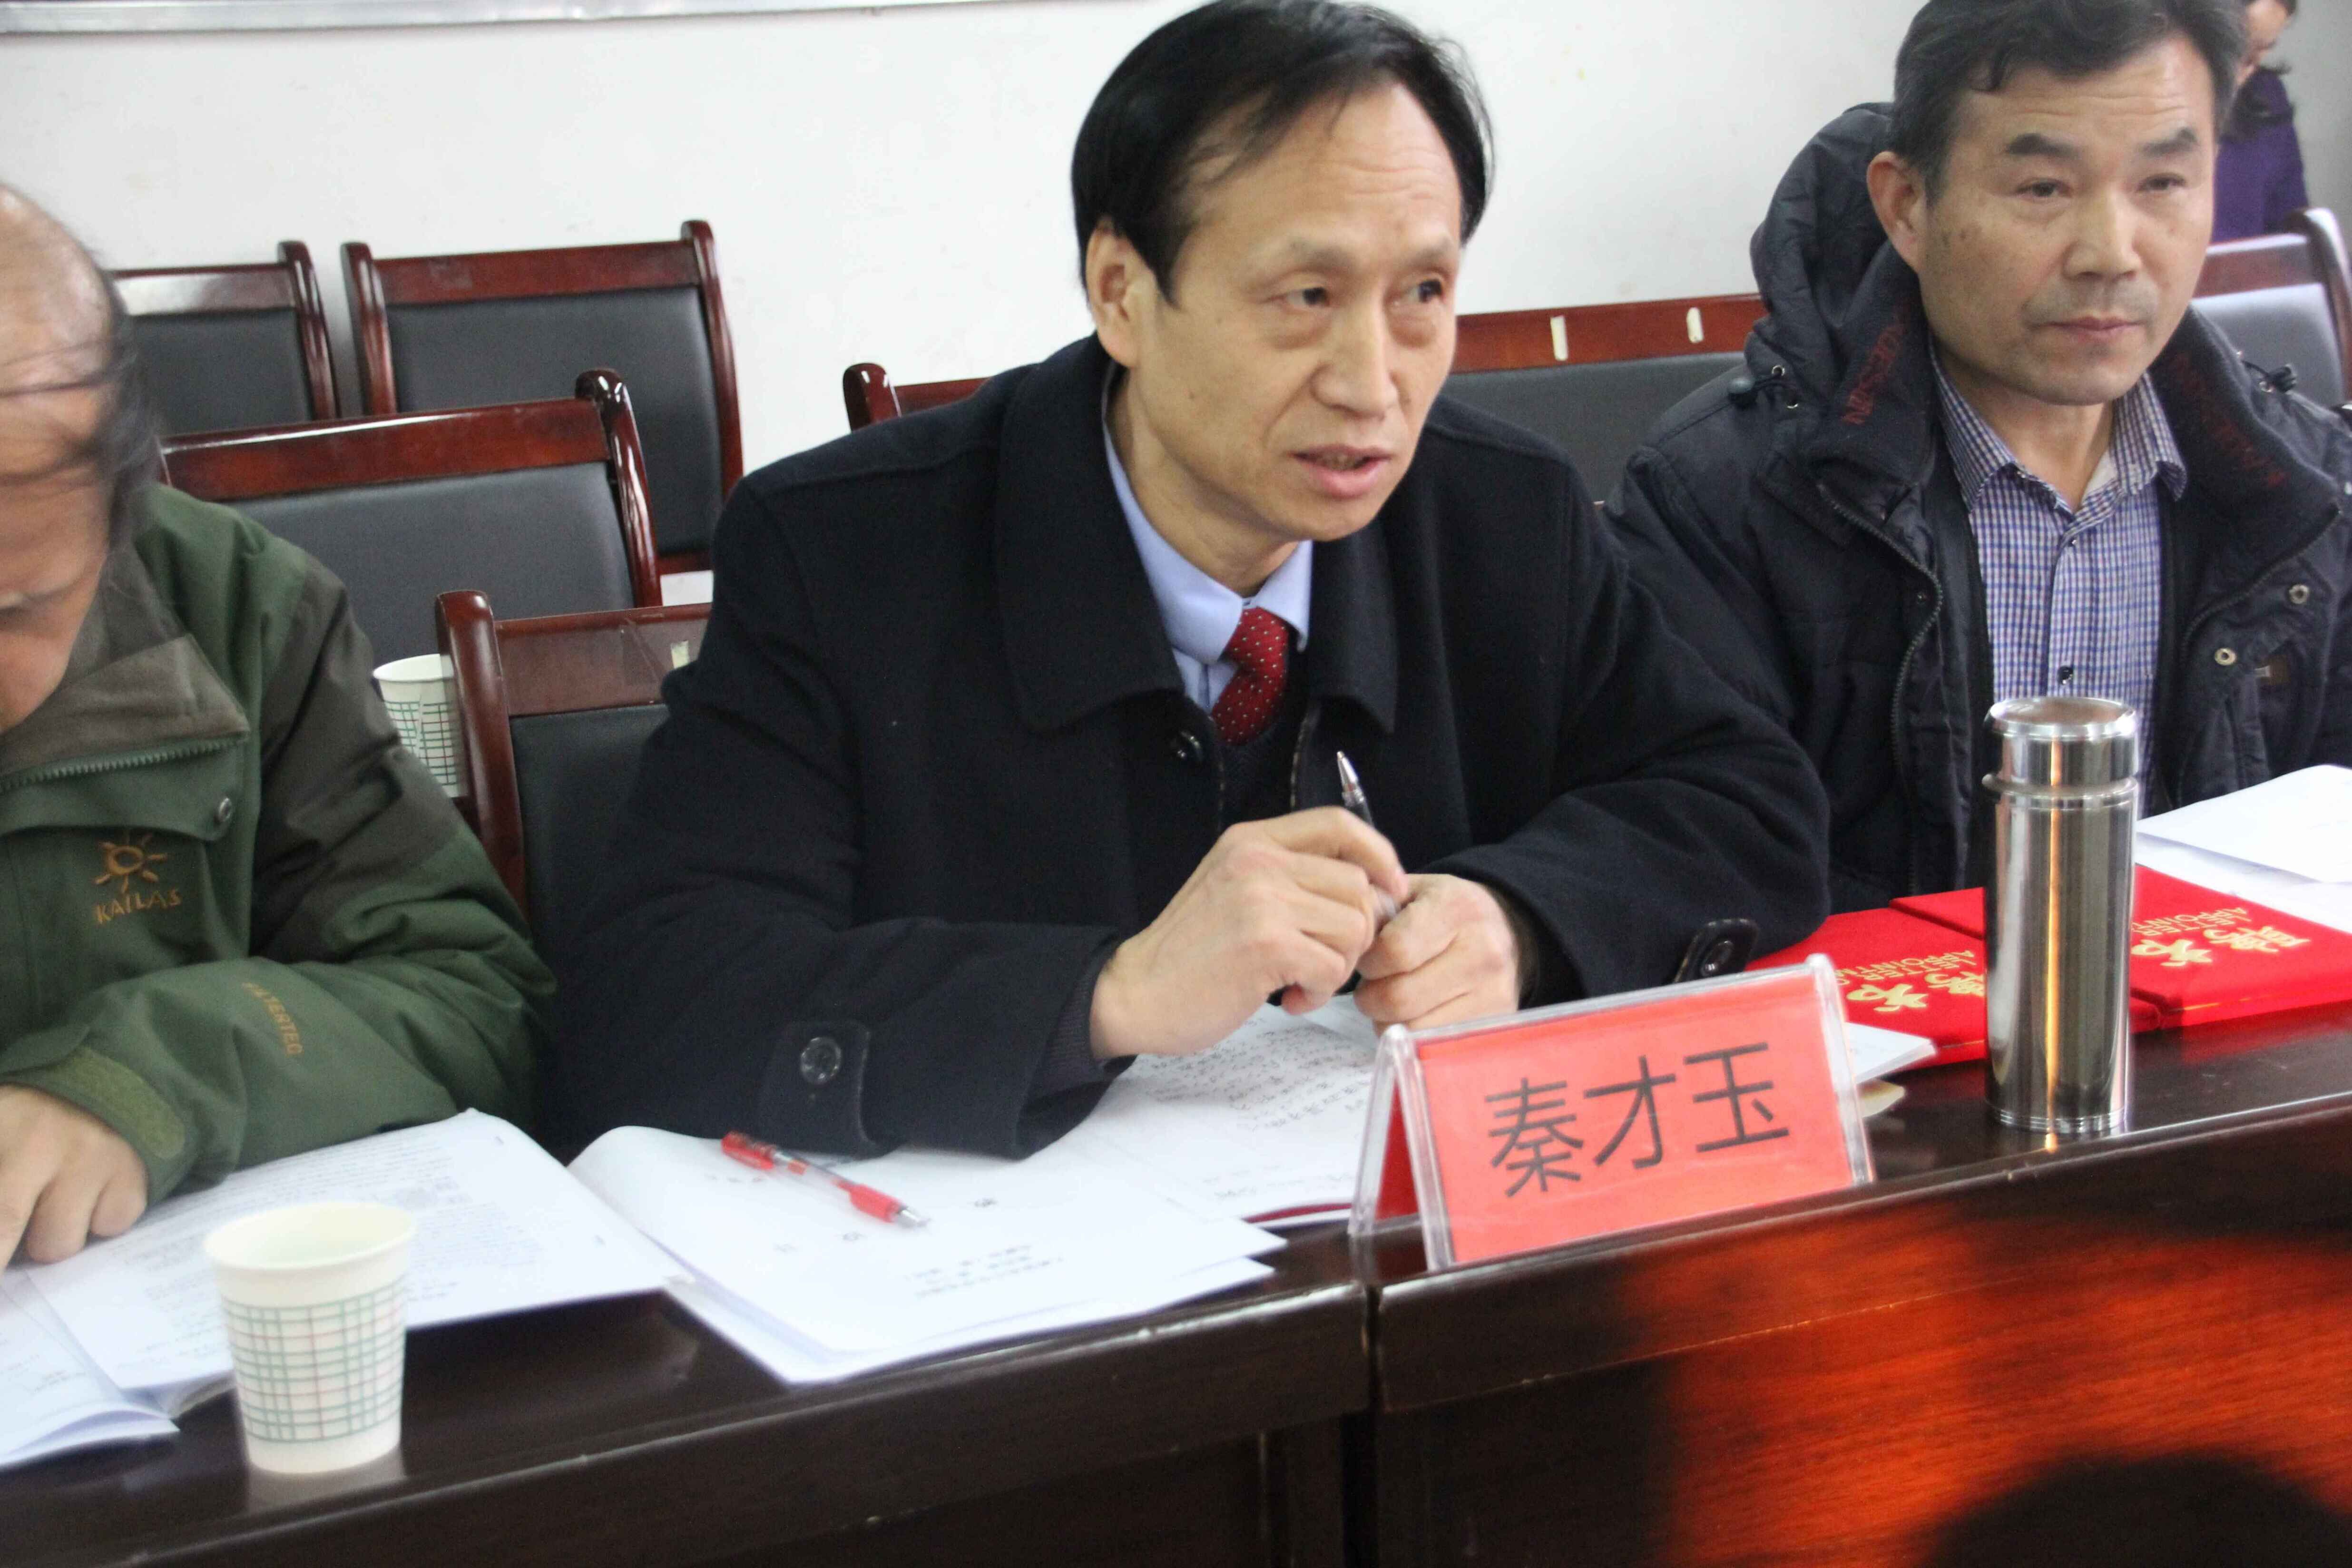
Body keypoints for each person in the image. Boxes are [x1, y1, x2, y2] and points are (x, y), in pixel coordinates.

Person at [555, 0, 1830, 1159]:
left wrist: (1523, 919)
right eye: (1306, 295)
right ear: (1122, 292)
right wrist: (1106, 992)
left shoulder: (1501, 516)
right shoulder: (842, 553)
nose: (1372, 383)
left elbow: (1747, 801)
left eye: (1422, 294)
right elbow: (656, 1001)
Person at [1610, 0, 2352, 914]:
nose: (2108, 254)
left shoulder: (2304, 493)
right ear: (1906, 205)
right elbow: (1683, 868)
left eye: (2161, 182)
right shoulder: (1727, 498)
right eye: (2042, 188)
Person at [0, 186, 552, 1263]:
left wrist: (144, 1078)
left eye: (16, 608)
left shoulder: (235, 611)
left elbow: (469, 1001)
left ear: (117, 515)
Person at [2213, 0, 2308, 242]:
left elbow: (2291, 232)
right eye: (2235, 48)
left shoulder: (2267, 99)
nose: (2241, 74)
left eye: (2258, 54)